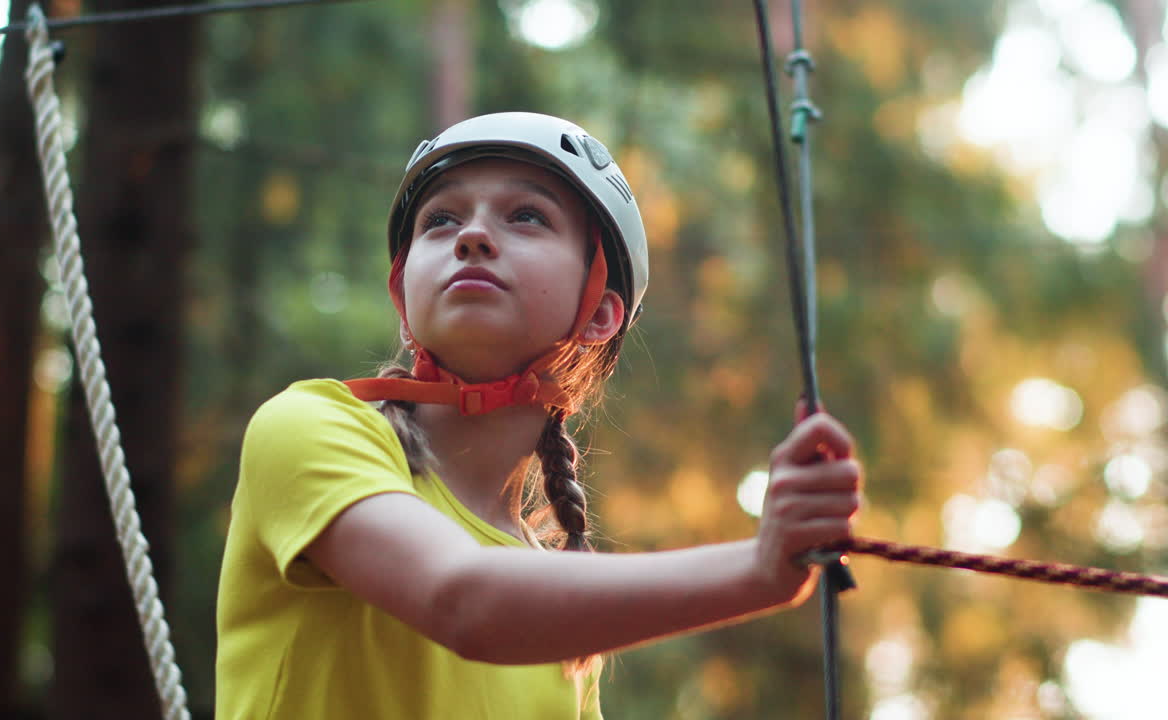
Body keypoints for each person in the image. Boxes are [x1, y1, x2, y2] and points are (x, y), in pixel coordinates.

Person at [215, 112, 862, 719]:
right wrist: (758, 569)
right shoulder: (310, 427)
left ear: (602, 311)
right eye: (440, 221)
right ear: (403, 294)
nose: (470, 235)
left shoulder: (568, 634)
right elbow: (462, 600)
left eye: (526, 216)